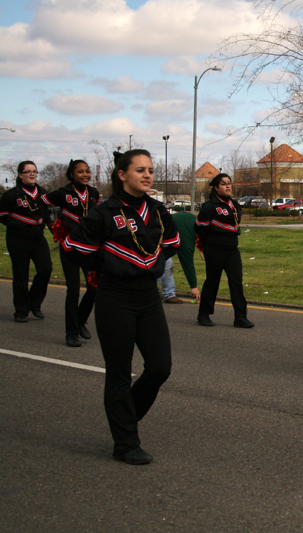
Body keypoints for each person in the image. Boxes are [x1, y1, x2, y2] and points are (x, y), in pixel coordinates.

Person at [62, 149, 180, 465]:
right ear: (122, 174)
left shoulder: (158, 211)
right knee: (119, 373)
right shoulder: (103, 212)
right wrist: (105, 263)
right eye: (140, 170)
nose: (147, 175)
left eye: (150, 170)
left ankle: (123, 415)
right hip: (115, 298)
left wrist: (149, 264)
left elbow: (171, 244)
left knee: (160, 368)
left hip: (148, 297)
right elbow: (73, 248)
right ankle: (125, 443)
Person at [42, 159, 100, 346]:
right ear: (71, 175)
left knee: (94, 287)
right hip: (69, 247)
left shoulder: (93, 193)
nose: (85, 174)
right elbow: (42, 203)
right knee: (73, 289)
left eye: (87, 171)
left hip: (89, 247)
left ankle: (80, 321)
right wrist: (52, 224)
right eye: (80, 171)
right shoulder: (62, 193)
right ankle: (71, 333)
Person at [195, 173, 253, 328]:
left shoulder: (234, 204)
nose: (228, 186)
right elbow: (200, 227)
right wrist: (209, 242)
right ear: (216, 187)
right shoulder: (210, 206)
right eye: (224, 184)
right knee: (212, 282)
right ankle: (203, 315)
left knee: (236, 282)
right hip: (214, 249)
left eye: (229, 183)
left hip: (232, 250)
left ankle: (240, 317)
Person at [0, 161, 53, 322]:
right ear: (20, 175)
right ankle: (21, 311)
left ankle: (34, 304)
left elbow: (46, 215)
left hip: (38, 238)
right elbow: (3, 216)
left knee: (45, 269)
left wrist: (54, 229)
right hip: (17, 239)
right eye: (28, 171)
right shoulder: (11, 195)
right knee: (21, 275)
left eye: (34, 171)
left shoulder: (42, 193)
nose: (32, 174)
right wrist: (18, 224)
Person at [169, 210, 201, 301]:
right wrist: (193, 286)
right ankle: (167, 294)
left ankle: (168, 294)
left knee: (166, 262)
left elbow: (181, 214)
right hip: (154, 235)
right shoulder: (188, 235)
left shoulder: (192, 218)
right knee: (166, 263)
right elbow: (187, 261)